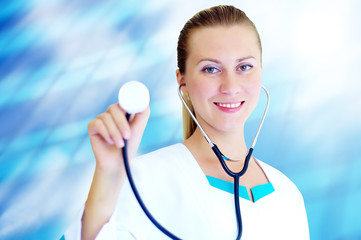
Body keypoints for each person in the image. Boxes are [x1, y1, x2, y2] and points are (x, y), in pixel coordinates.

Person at [64, 5, 309, 240]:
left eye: (244, 67)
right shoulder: (143, 181)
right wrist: (109, 174)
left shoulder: (288, 194)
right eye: (211, 69)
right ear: (183, 81)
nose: (231, 87)